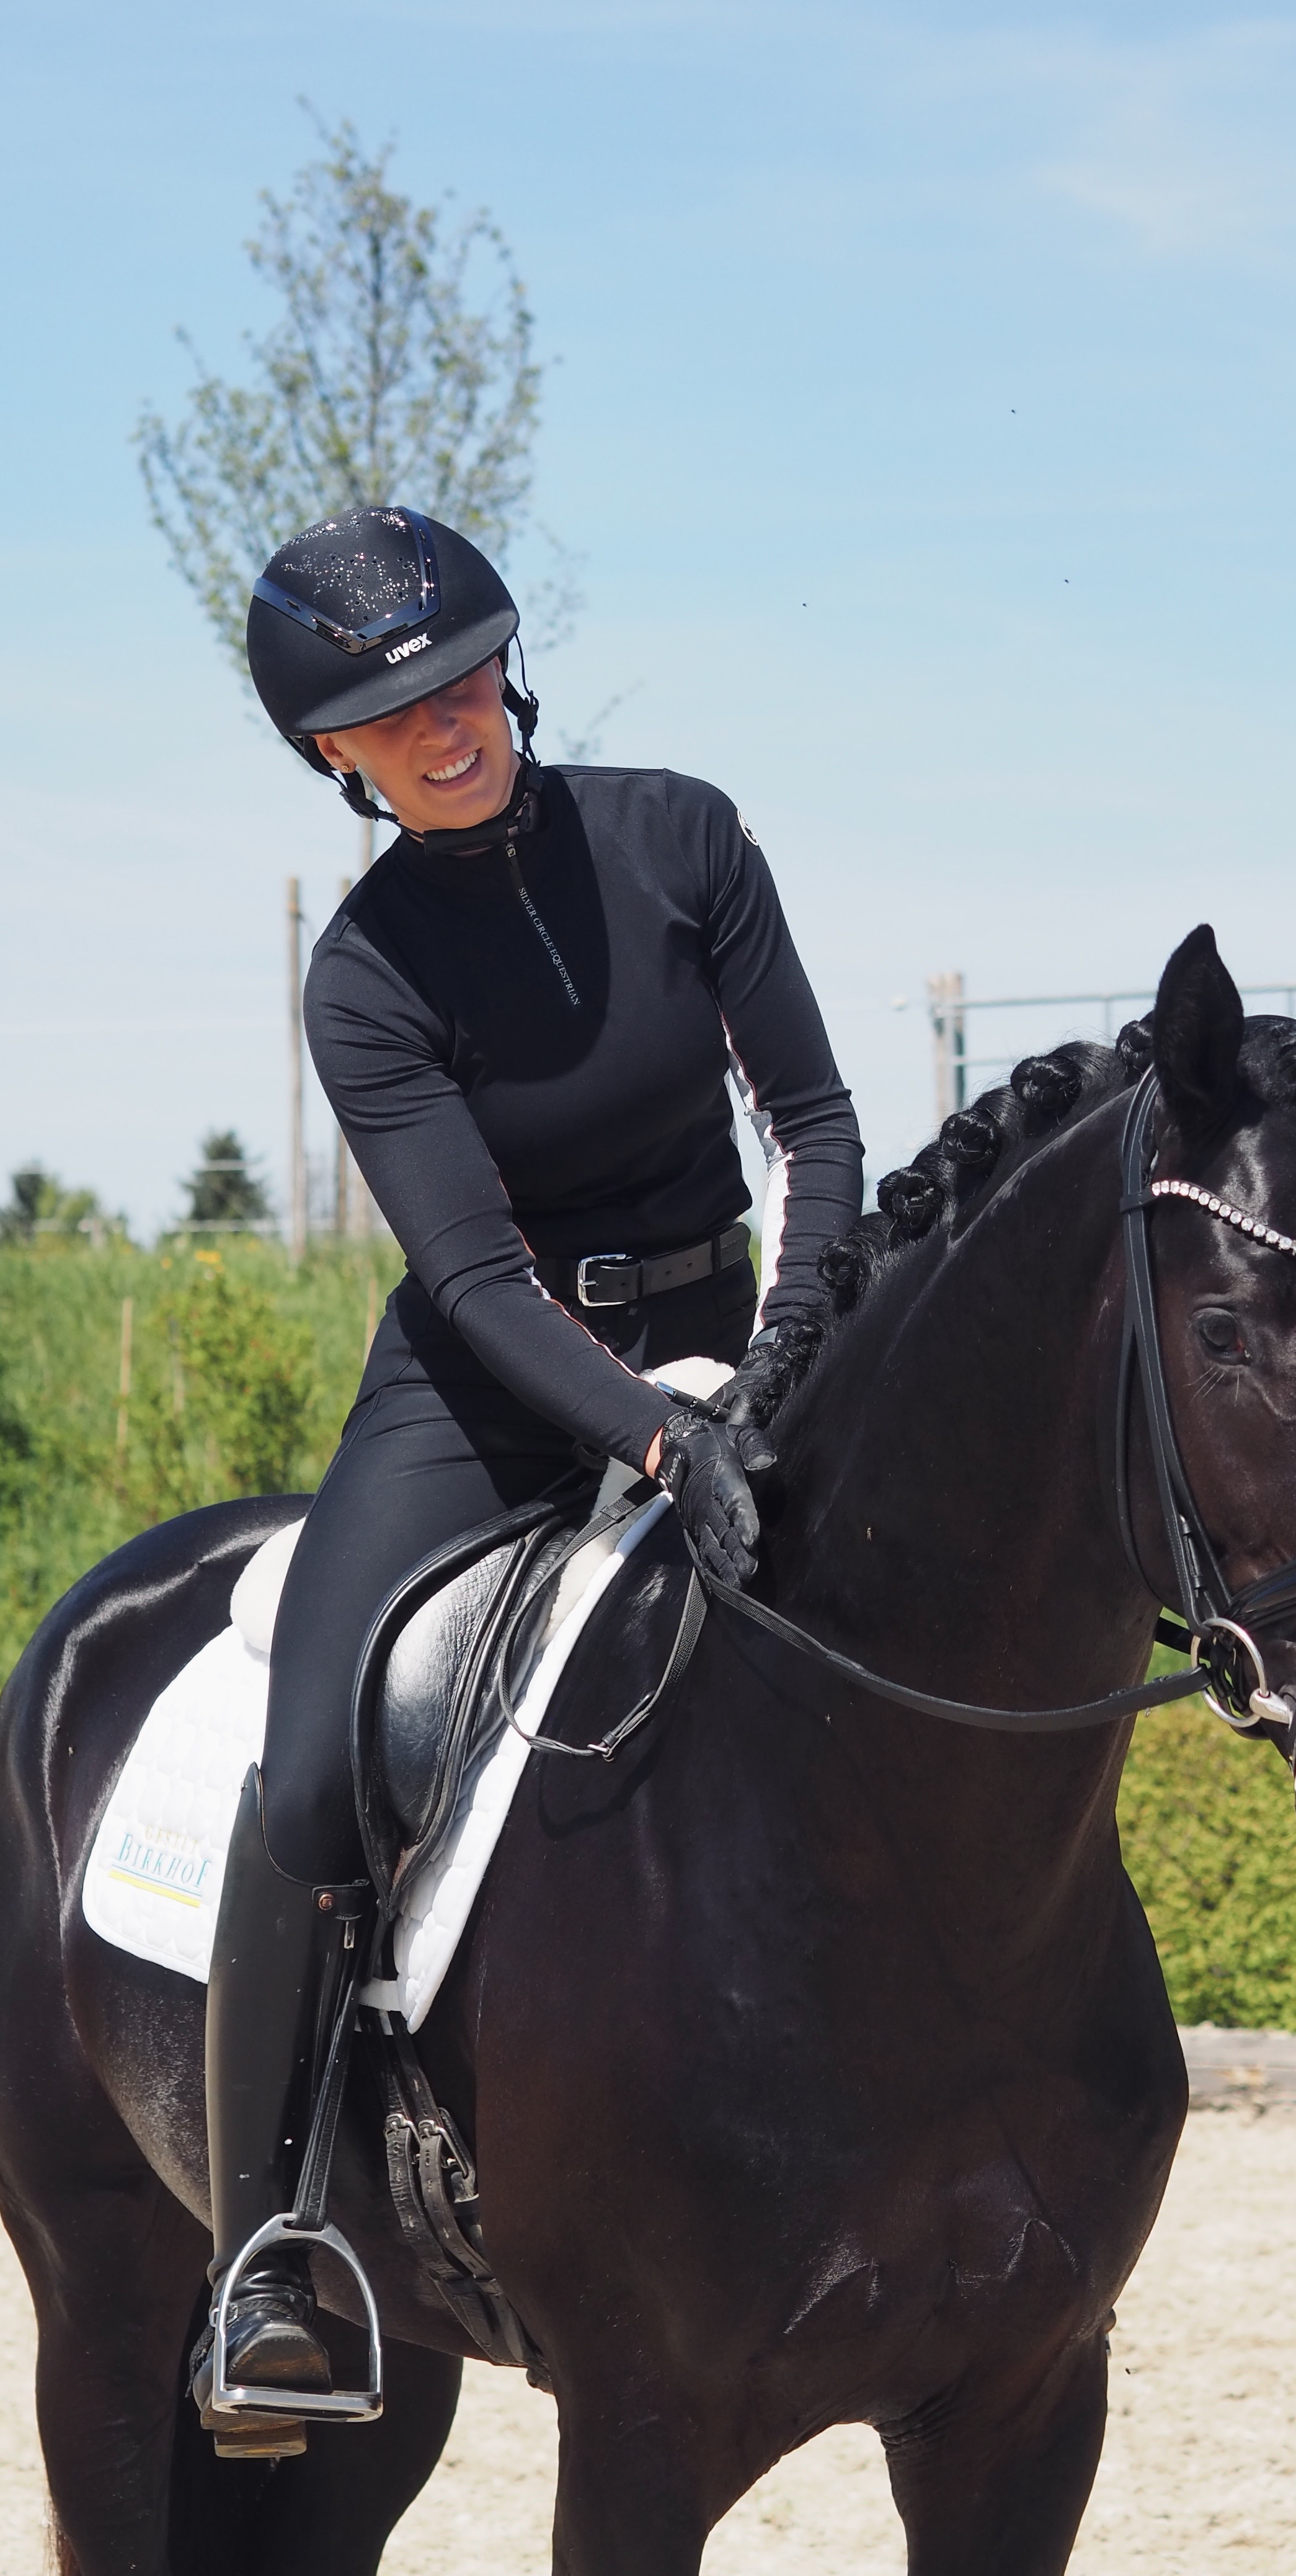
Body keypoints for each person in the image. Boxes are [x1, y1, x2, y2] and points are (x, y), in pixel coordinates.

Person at [192, 503, 863, 2447]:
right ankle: (270, 2255)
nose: (444, 723)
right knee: (314, 1755)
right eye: (392, 717)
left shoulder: (684, 837)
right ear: (338, 759)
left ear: (508, 665)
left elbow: (810, 1117)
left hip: (741, 1331)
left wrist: (780, 1359)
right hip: (485, 1389)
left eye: (461, 676)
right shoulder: (368, 980)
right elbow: (475, 1279)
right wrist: (655, 1432)